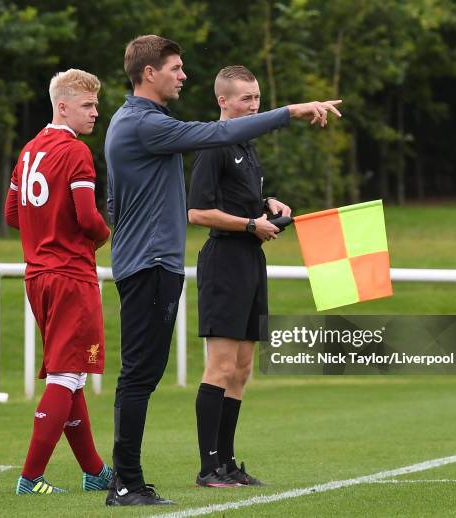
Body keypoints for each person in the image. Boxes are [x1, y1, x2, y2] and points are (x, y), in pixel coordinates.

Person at [104, 34, 341, 506]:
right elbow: (218, 134)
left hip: (154, 261)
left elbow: (115, 203)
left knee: (146, 373)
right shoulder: (144, 123)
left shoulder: (139, 121)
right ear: (149, 73)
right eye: (175, 67)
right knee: (139, 375)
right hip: (151, 263)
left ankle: (135, 478)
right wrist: (290, 111)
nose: (183, 75)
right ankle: (126, 482)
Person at [4, 68, 114, 495]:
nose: (95, 113)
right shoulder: (76, 152)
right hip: (70, 275)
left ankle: (94, 471)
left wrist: (43, 232)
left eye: (96, 105)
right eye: (87, 106)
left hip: (37, 275)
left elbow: (12, 215)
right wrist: (104, 236)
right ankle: (30, 478)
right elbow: (87, 217)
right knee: (66, 377)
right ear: (62, 106)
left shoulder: (30, 149)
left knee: (72, 375)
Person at [188, 65, 292, 488]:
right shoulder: (213, 144)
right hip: (224, 261)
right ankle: (208, 467)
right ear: (223, 101)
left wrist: (267, 204)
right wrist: (250, 226)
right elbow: (197, 211)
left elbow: (240, 199)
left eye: (257, 98)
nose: (254, 105)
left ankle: (228, 463)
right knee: (221, 366)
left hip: (251, 261)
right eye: (246, 98)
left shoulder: (246, 145)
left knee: (244, 368)